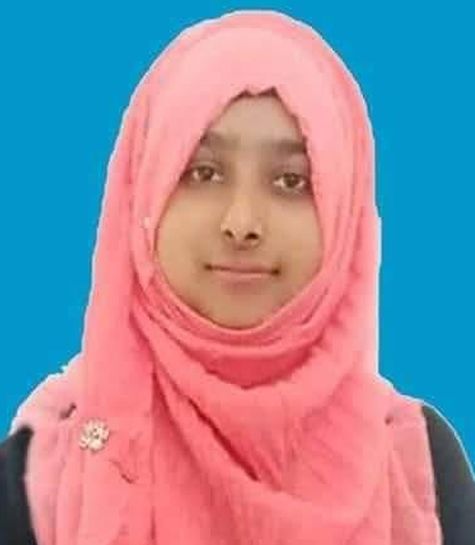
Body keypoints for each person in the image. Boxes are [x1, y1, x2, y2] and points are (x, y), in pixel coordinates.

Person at [1, 9, 474, 545]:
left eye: (291, 181)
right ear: (145, 193)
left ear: (346, 215)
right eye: (203, 172)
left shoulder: (419, 471)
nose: (242, 222)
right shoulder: (43, 484)